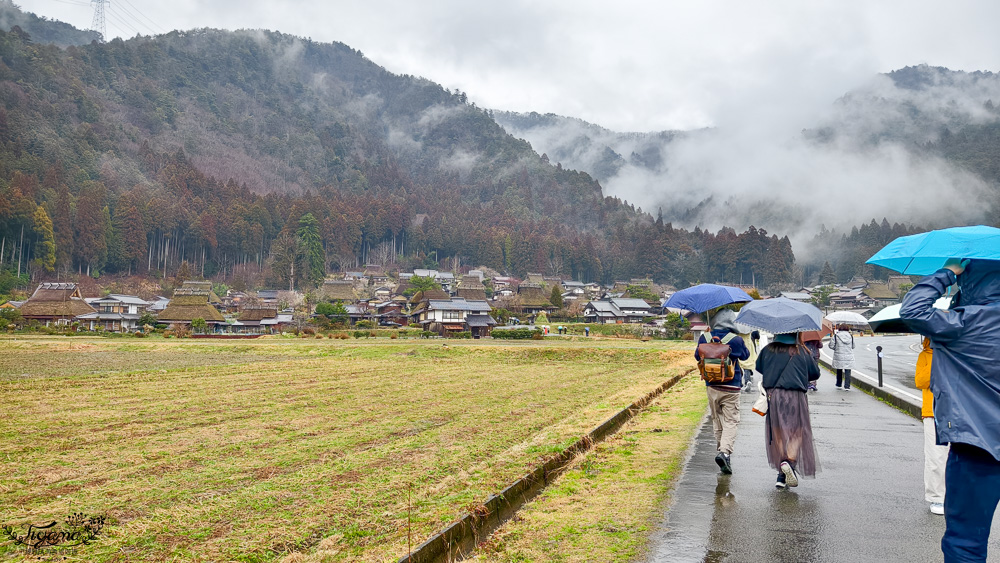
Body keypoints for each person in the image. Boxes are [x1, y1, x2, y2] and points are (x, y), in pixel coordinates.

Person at [900, 259, 1000, 562]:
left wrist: (948, 273)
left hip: (977, 443)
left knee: (966, 540)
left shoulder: (964, 321)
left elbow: (913, 310)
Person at [756, 333, 821, 488]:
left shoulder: (768, 350)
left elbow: (759, 367)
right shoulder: (801, 351)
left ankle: (781, 475)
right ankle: (789, 463)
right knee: (796, 432)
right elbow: (815, 373)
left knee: (777, 432)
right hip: (795, 396)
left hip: (774, 396)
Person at [694, 309, 750, 475]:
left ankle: (722, 452)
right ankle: (724, 453)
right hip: (731, 385)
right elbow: (745, 356)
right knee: (731, 420)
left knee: (716, 419)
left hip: (711, 384)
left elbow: (698, 356)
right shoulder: (736, 340)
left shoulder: (705, 337)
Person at [915, 337, 948, 515]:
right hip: (933, 412)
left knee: (958, 457)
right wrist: (937, 360)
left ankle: (955, 496)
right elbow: (920, 381)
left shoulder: (958, 354)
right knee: (936, 456)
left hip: (957, 412)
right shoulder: (925, 356)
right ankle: (937, 497)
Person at [830, 324, 855, 390]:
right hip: (848, 356)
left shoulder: (836, 336)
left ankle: (839, 384)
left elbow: (831, 345)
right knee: (848, 370)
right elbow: (853, 346)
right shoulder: (851, 336)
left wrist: (836, 348)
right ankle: (847, 386)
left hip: (839, 355)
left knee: (839, 369)